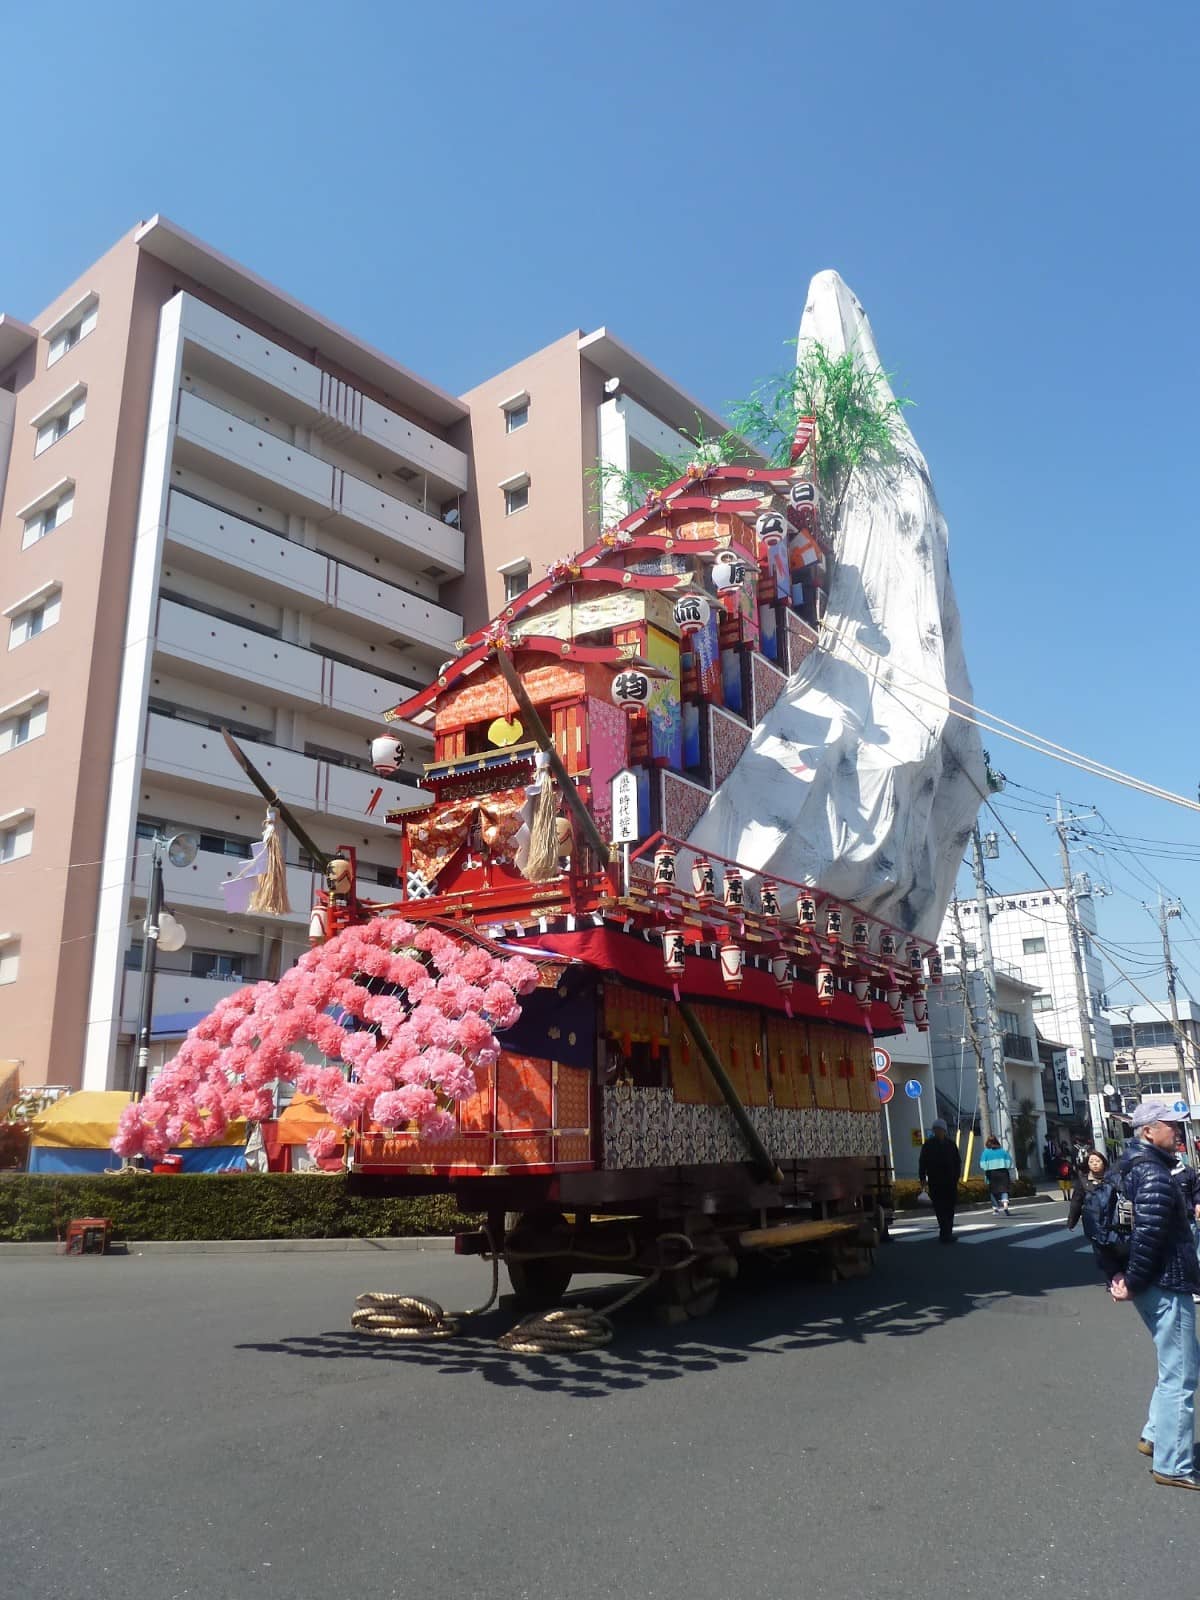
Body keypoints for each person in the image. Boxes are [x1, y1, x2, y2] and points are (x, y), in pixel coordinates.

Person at [1108, 1102, 1200, 1490]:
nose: (1177, 1131)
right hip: (1166, 1282)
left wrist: (1124, 1277)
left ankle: (1154, 1435)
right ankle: (1173, 1464)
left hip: (1155, 1282)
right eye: (1170, 1125)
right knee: (1181, 1375)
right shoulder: (1154, 1174)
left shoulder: (1132, 1166)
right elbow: (1148, 1236)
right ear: (1148, 1131)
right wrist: (1132, 1281)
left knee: (1177, 1366)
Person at [918, 1118, 962, 1244]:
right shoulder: (928, 1145)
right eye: (935, 1129)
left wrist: (956, 1177)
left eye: (939, 1129)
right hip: (935, 1181)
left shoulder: (951, 1144)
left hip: (950, 1181)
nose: (937, 1131)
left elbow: (957, 1162)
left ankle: (947, 1232)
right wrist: (922, 1178)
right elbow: (922, 1162)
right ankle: (945, 1233)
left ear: (944, 1130)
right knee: (939, 1208)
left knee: (949, 1208)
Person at [1066, 1149, 1112, 1264]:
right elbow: (1076, 1202)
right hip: (1093, 1224)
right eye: (1091, 1162)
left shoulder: (1113, 1178)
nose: (1095, 1164)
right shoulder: (1083, 1181)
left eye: (1098, 1161)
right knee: (1102, 1254)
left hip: (1112, 1223)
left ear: (1104, 1163)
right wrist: (1071, 1221)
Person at [979, 1134, 1014, 1215]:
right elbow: (1009, 1161)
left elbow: (982, 1164)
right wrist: (1006, 1166)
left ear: (987, 1142)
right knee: (1004, 1189)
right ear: (996, 1142)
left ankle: (995, 1208)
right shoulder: (1002, 1151)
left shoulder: (986, 1152)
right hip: (1003, 1172)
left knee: (993, 1190)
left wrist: (987, 1168)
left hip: (991, 1173)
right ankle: (1005, 1204)